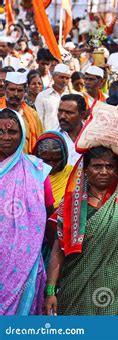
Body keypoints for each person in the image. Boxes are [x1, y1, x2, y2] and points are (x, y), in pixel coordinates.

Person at [43, 146, 118, 315]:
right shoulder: (71, 206)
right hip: (78, 291)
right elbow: (58, 250)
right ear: (86, 170)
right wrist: (51, 291)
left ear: (116, 170)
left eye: (109, 166)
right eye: (97, 166)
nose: (104, 171)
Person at [0, 108, 54, 315]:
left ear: (22, 134)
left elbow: (48, 215)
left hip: (24, 263)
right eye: (0, 131)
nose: (5, 137)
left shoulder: (36, 170)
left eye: (12, 132)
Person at [0, 71, 44, 153]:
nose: (16, 94)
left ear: (25, 91)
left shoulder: (33, 115)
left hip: (25, 162)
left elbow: (40, 143)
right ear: (5, 89)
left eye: (20, 90)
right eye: (12, 89)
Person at [33, 131, 73, 209]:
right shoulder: (29, 176)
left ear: (65, 156)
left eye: (56, 160)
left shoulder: (74, 174)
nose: (51, 166)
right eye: (46, 160)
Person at [35, 64, 71, 131]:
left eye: (67, 78)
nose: (64, 81)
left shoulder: (71, 96)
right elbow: (39, 120)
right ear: (54, 77)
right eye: (61, 77)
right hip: (49, 136)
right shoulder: (43, 96)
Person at [54, 94, 87, 166]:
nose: (62, 116)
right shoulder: (51, 137)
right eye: (60, 111)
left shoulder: (92, 137)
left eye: (68, 113)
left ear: (82, 115)